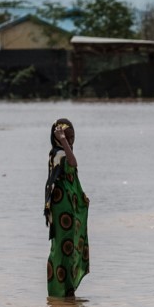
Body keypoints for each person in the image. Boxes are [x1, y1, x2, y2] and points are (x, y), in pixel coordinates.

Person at [44, 118, 90, 297]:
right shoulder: (58, 154)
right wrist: (62, 140)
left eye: (72, 137)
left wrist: (82, 197)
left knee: (69, 245)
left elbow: (73, 179)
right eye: (66, 137)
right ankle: (61, 290)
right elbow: (73, 163)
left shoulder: (63, 152)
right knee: (63, 247)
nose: (70, 141)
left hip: (69, 206)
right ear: (57, 138)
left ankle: (66, 291)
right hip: (61, 207)